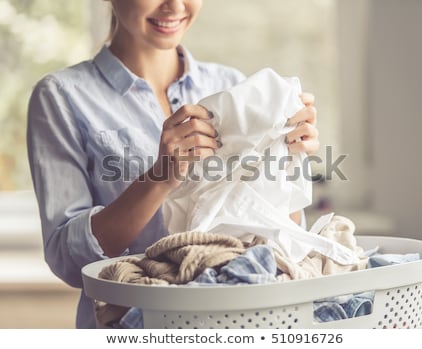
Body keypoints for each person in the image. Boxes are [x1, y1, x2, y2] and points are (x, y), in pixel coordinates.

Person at [27, 0, 320, 329]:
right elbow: (68, 259)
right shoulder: (61, 97)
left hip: (237, 325)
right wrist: (159, 178)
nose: (174, 6)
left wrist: (288, 159)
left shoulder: (234, 86)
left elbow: (280, 240)